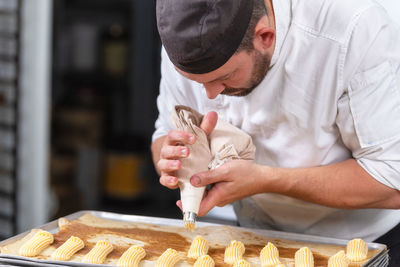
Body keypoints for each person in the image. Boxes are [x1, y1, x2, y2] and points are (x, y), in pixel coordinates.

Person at [151, 0, 400, 264]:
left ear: (265, 37)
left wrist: (265, 180)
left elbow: (392, 179)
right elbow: (162, 136)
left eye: (224, 77)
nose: (210, 94)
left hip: (365, 242)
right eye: (196, 82)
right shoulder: (182, 40)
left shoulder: (354, 29)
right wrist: (173, 157)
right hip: (252, 238)